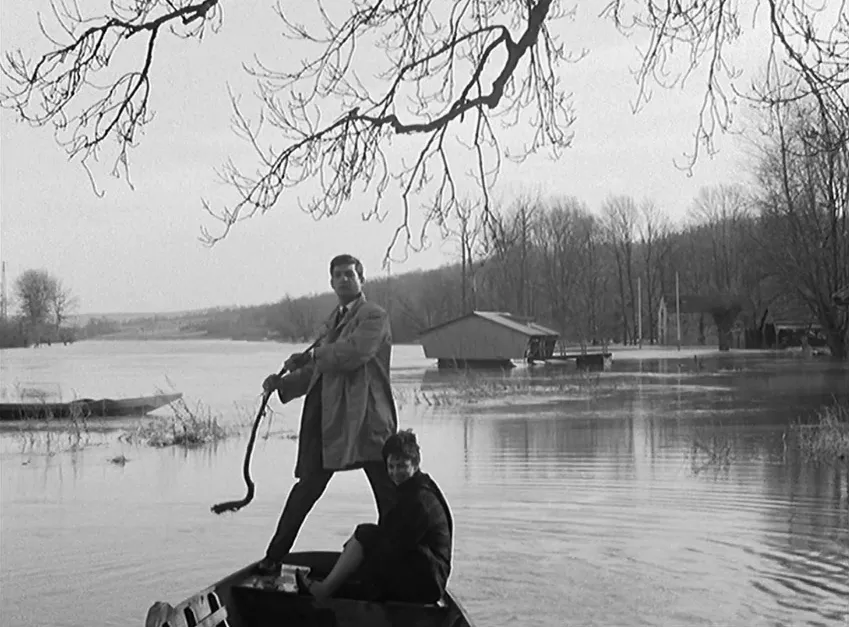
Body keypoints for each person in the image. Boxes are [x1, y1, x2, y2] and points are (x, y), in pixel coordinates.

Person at [257, 254, 398, 574]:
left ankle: (397, 563)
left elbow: (354, 353)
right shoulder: (333, 322)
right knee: (306, 489)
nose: (344, 279)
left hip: (368, 421)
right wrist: (283, 384)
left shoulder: (374, 316)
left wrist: (311, 356)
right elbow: (319, 371)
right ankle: (273, 558)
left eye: (350, 274)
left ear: (362, 279)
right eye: (339, 275)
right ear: (331, 282)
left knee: (389, 498)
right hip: (332, 423)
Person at [295, 429, 453, 604]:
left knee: (365, 535)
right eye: (391, 466)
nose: (395, 472)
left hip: (427, 583)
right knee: (363, 541)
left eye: (402, 466)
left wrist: (360, 550)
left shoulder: (419, 501)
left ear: (415, 464)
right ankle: (335, 584)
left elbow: (395, 547)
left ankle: (324, 591)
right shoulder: (418, 487)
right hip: (428, 573)